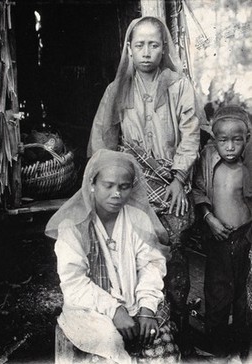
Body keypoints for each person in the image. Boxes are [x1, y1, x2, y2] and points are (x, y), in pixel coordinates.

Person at [87, 15, 201, 354]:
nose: (147, 52)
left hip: (172, 184)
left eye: (153, 44)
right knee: (137, 256)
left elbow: (191, 135)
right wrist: (112, 185)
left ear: (164, 47)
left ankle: (178, 332)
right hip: (134, 186)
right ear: (130, 49)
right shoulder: (117, 89)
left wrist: (179, 179)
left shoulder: (179, 85)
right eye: (140, 45)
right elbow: (102, 140)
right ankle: (143, 331)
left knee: (174, 253)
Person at [45, 149, 180, 364]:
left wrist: (146, 307)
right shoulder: (73, 226)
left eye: (124, 187)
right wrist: (115, 310)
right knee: (110, 344)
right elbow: (74, 283)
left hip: (136, 301)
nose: (116, 194)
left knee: (162, 350)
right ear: (92, 184)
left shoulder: (138, 220)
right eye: (108, 186)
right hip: (90, 310)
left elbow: (151, 265)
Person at [193, 105, 252, 360]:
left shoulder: (248, 166)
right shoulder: (208, 162)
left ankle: (241, 346)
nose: (230, 147)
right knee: (217, 292)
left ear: (246, 140)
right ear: (213, 141)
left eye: (236, 141)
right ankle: (216, 345)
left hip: (245, 238)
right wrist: (209, 218)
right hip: (218, 238)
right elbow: (198, 191)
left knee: (243, 295)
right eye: (223, 140)